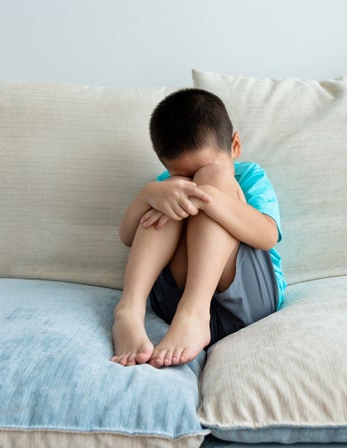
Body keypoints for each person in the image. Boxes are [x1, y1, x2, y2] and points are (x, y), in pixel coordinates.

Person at [111, 88, 285, 368]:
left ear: (235, 146)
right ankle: (129, 311)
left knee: (212, 179)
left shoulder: (250, 176)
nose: (192, 181)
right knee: (169, 194)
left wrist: (210, 197)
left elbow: (267, 237)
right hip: (174, 303)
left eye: (200, 168)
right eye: (181, 173)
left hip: (249, 300)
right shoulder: (167, 181)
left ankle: (195, 310)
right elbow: (127, 237)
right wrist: (150, 194)